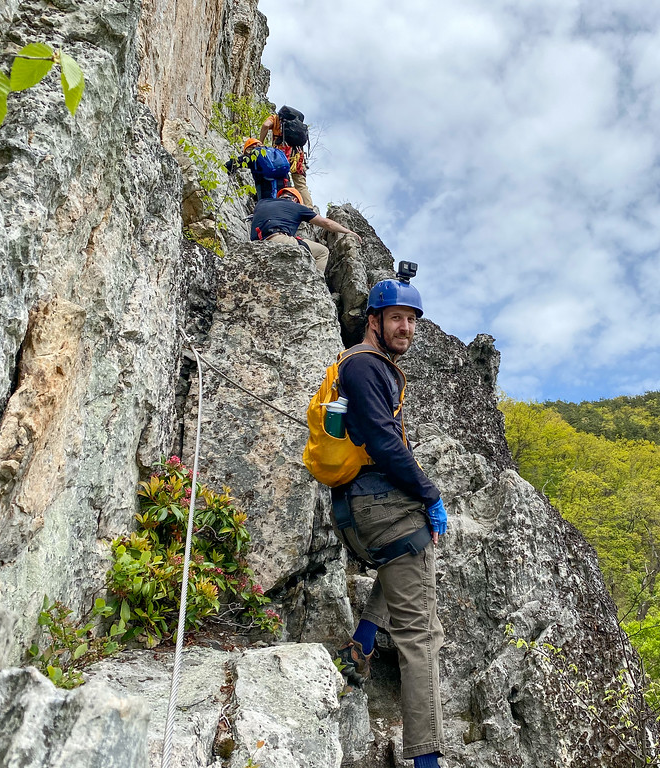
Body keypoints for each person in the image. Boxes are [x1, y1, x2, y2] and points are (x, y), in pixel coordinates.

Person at [331, 274, 449, 768]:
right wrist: (430, 492)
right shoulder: (364, 365)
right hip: (379, 509)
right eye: (397, 318)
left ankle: (360, 644)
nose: (407, 328)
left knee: (413, 551)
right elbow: (383, 443)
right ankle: (427, 758)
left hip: (359, 513)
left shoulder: (363, 367)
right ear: (374, 321)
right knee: (422, 637)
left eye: (412, 320)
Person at [249, 187, 360, 274]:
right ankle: (317, 284)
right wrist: (348, 232)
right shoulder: (297, 207)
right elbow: (327, 223)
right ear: (295, 199)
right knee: (322, 251)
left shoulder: (262, 203)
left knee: (299, 240)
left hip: (257, 243)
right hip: (278, 239)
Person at [259, 106, 313, 208]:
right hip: (297, 155)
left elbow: (265, 125)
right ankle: (309, 208)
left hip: (282, 153)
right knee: (301, 184)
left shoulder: (275, 118)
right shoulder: (297, 125)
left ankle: (279, 202)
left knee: (279, 177)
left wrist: (260, 142)